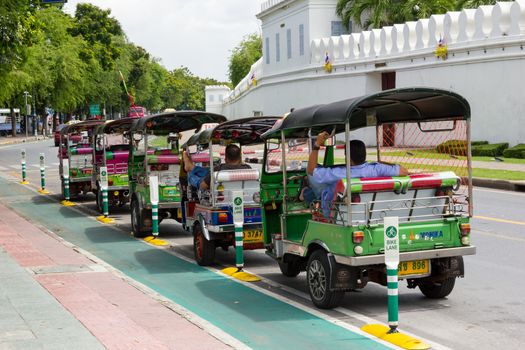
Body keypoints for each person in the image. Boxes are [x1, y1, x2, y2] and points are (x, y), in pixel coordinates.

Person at [306, 131, 408, 215]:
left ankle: (303, 194)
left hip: (337, 213)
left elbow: (311, 170)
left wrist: (317, 145)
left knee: (315, 189)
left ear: (349, 158)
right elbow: (404, 171)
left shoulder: (339, 173)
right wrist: (381, 163)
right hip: (373, 211)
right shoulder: (377, 169)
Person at [182, 144, 251, 190]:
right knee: (209, 172)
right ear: (240, 158)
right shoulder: (248, 169)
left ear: (226, 158)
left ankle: (191, 169)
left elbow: (203, 186)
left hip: (220, 193)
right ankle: (192, 167)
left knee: (198, 178)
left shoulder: (218, 170)